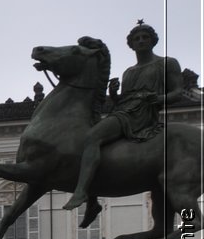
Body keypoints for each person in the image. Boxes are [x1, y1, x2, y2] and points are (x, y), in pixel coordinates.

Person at [63, 21, 189, 215]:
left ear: (153, 41)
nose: (141, 41)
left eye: (145, 37)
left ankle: (82, 192)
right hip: (124, 112)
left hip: (142, 115)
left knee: (92, 137)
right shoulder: (128, 72)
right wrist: (114, 95)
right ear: (131, 44)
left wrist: (157, 99)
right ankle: (93, 201)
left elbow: (178, 93)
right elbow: (124, 101)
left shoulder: (166, 63)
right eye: (136, 38)